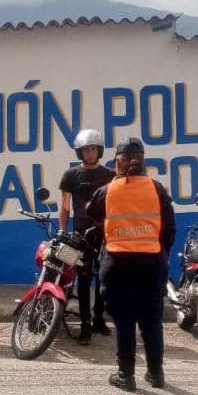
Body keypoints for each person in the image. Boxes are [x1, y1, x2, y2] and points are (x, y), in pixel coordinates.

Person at [86, 136, 175, 391]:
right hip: (152, 263)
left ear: (119, 162)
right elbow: (169, 228)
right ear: (143, 162)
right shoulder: (157, 189)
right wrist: (160, 253)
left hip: (118, 263)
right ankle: (156, 374)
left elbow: (91, 211)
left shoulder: (108, 190)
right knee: (151, 320)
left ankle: (126, 375)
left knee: (124, 320)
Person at [58, 129, 115, 345]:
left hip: (105, 234)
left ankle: (99, 318)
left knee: (103, 278)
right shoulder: (70, 176)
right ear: (79, 153)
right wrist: (63, 231)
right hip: (80, 235)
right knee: (82, 279)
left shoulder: (110, 175)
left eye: (93, 149)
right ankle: (85, 324)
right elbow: (65, 206)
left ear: (99, 150)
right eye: (85, 150)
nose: (90, 153)